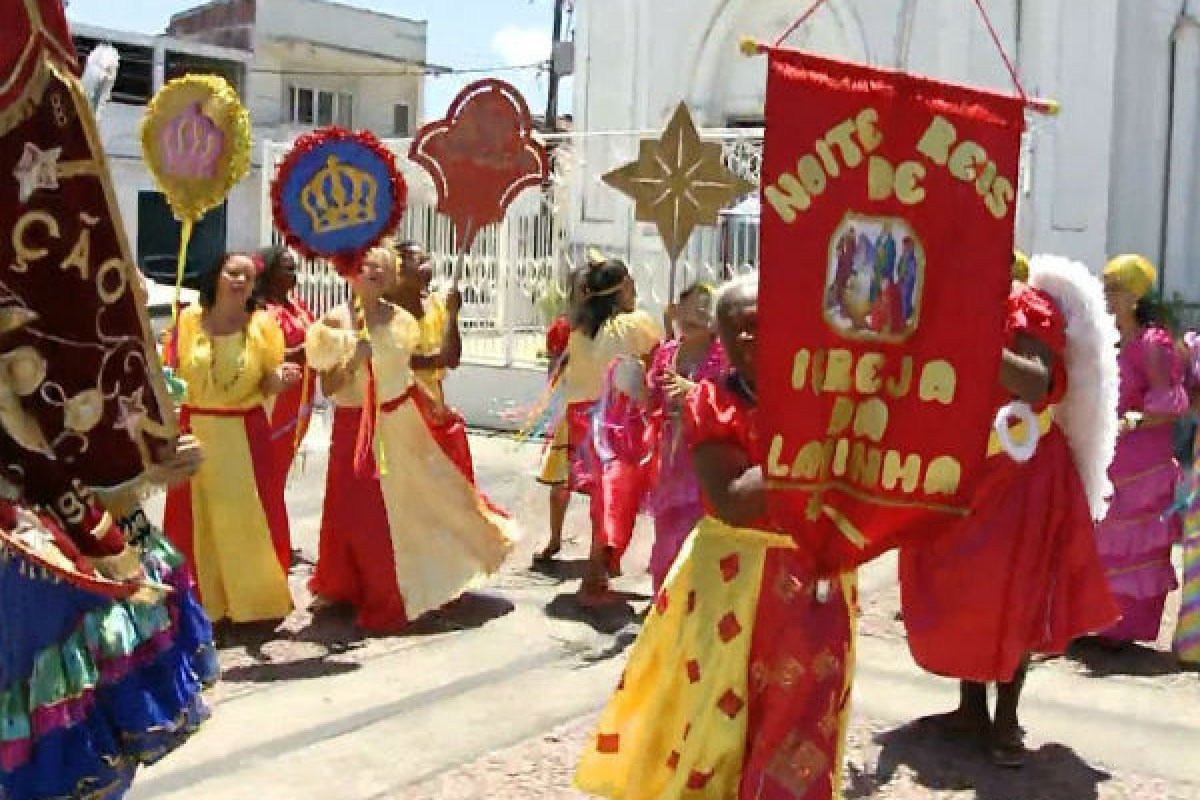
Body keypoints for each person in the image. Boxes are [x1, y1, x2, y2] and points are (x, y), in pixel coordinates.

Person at [574, 275, 857, 800]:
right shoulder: (712, 402)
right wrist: (818, 450)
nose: (748, 339)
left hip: (816, 583)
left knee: (804, 720)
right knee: (717, 721)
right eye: (735, 330)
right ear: (721, 341)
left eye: (758, 326)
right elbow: (734, 498)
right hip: (734, 586)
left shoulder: (823, 396)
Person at [899, 254, 1120, 767]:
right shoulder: (953, 304)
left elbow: (1034, 383)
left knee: (1015, 594)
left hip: (1023, 472)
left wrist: (971, 335)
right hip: (968, 471)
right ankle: (971, 708)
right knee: (967, 591)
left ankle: (1006, 721)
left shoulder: (1029, 305)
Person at [305, 247, 515, 630]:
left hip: (402, 420)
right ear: (350, 270)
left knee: (416, 503)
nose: (373, 272)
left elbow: (404, 374)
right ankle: (351, 585)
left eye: (381, 268)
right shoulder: (334, 322)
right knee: (354, 509)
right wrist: (353, 358)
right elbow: (329, 385)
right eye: (366, 265)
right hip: (356, 425)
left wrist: (432, 405)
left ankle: (408, 582)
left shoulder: (401, 320)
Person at [163, 253, 300, 625]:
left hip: (244, 434)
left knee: (246, 521)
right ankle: (199, 606)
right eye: (232, 273)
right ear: (216, 275)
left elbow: (266, 381)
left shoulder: (263, 326)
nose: (240, 281)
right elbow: (170, 376)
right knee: (197, 523)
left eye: (248, 276)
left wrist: (281, 379)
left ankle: (253, 605)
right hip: (195, 432)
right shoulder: (188, 320)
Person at [1096, 254, 1185, 646]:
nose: (1108, 297)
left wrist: (1134, 420)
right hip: (1107, 458)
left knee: (1134, 545)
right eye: (1106, 289)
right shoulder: (1107, 339)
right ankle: (1096, 620)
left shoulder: (1153, 344)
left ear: (1135, 296)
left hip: (1143, 464)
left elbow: (1171, 403)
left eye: (1115, 290)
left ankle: (1125, 628)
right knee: (1101, 541)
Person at [561, 258, 663, 604]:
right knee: (615, 499)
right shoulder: (635, 325)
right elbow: (659, 360)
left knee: (602, 500)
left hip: (582, 420)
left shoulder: (581, 329)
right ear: (623, 290)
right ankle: (595, 572)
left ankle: (599, 567)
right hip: (616, 423)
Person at [645, 283, 726, 591]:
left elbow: (730, 403)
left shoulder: (723, 357)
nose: (695, 314)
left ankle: (691, 605)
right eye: (690, 306)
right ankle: (663, 604)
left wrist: (694, 391)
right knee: (666, 535)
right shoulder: (667, 353)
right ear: (677, 310)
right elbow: (652, 399)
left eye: (705, 308)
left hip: (704, 459)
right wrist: (630, 387)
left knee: (696, 537)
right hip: (670, 458)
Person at [388, 240, 474, 482]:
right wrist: (435, 360)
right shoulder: (386, 311)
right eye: (420, 261)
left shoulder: (437, 304)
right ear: (399, 269)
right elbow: (395, 360)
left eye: (428, 261)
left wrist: (452, 316)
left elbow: (453, 358)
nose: (428, 267)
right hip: (400, 405)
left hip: (433, 404)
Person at [255, 246, 316, 532]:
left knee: (281, 470)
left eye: (294, 268)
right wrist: (302, 352)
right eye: (287, 269)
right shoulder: (261, 311)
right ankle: (266, 534)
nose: (294, 275)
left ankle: (273, 530)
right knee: (267, 470)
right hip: (274, 404)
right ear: (269, 272)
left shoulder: (298, 307)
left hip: (299, 401)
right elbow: (262, 354)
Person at [534, 266, 588, 563]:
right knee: (560, 484)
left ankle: (603, 550)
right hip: (572, 411)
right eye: (581, 287)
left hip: (602, 416)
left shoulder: (612, 328)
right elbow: (553, 373)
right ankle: (555, 538)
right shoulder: (562, 328)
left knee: (602, 490)